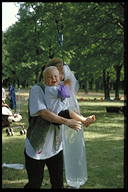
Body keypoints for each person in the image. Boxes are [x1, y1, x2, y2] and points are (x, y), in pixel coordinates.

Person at [24, 61, 82, 189]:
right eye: (56, 73)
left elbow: (65, 110)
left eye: (61, 74)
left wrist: (78, 117)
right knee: (34, 184)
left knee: (57, 184)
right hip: (37, 147)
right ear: (46, 75)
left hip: (55, 147)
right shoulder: (37, 89)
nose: (59, 76)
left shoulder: (60, 90)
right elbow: (43, 113)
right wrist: (67, 121)